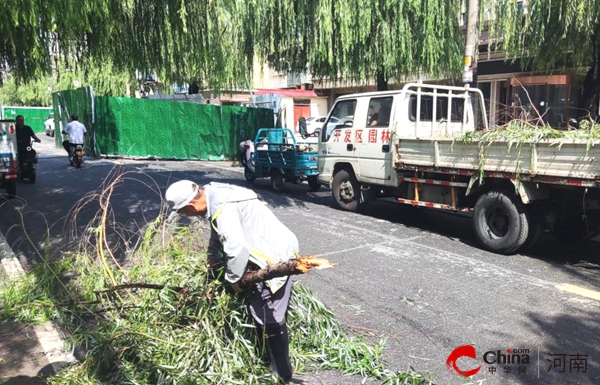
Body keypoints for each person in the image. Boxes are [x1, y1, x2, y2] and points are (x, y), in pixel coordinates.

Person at [165, 180, 296, 381]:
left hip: (274, 256)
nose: (186, 216)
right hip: (273, 245)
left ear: (191, 206)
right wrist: (212, 258)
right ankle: (268, 356)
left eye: (184, 212)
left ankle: (282, 372)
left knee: (267, 312)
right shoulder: (216, 195)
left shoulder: (222, 208)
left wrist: (234, 281)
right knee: (261, 308)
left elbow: (238, 250)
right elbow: (218, 232)